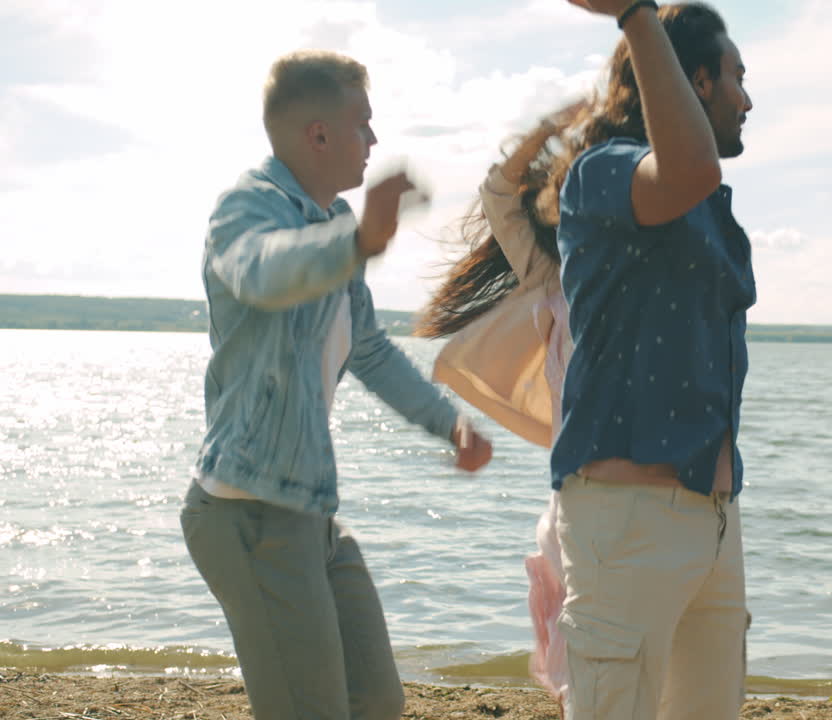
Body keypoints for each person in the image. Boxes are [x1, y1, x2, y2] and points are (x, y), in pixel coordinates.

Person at [180, 50, 492, 720]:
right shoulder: (246, 209)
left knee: (375, 699)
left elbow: (370, 349)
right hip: (248, 513)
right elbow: (261, 273)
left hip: (310, 510)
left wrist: (449, 422)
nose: (373, 140)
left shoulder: (334, 222)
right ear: (318, 134)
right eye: (362, 123)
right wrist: (356, 244)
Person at [539, 1, 754, 717]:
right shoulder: (602, 173)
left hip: (714, 518)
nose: (748, 99)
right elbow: (687, 168)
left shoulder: (708, 203)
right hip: (627, 521)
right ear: (699, 81)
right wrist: (637, 14)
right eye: (736, 77)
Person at [417, 99, 585, 712]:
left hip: (643, 493)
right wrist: (547, 129)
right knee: (581, 657)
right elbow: (498, 191)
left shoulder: (644, 275)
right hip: (578, 496)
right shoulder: (551, 276)